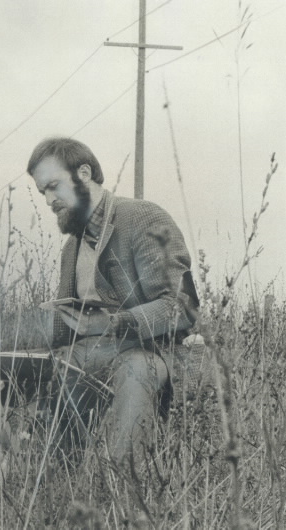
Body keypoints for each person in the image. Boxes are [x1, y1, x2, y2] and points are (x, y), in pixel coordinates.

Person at [27, 137, 199, 464]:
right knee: (41, 368)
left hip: (150, 351)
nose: (49, 200)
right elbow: (65, 340)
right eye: (42, 192)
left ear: (84, 173)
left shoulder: (143, 218)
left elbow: (183, 307)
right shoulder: (71, 250)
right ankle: (57, 479)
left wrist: (114, 323)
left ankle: (122, 486)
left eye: (53, 186)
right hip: (88, 354)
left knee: (135, 369)